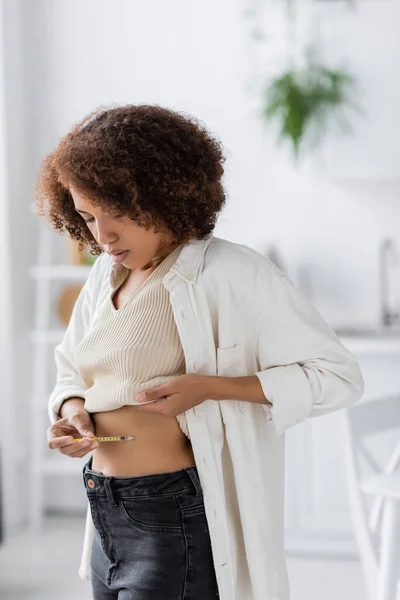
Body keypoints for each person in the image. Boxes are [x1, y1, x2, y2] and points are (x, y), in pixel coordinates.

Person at [37, 104, 365, 600]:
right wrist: (73, 411)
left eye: (119, 215)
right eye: (87, 217)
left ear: (163, 196)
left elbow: (338, 377)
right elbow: (71, 368)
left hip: (172, 514)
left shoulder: (233, 273)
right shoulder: (107, 273)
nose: (102, 237)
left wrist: (211, 387)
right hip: (104, 506)